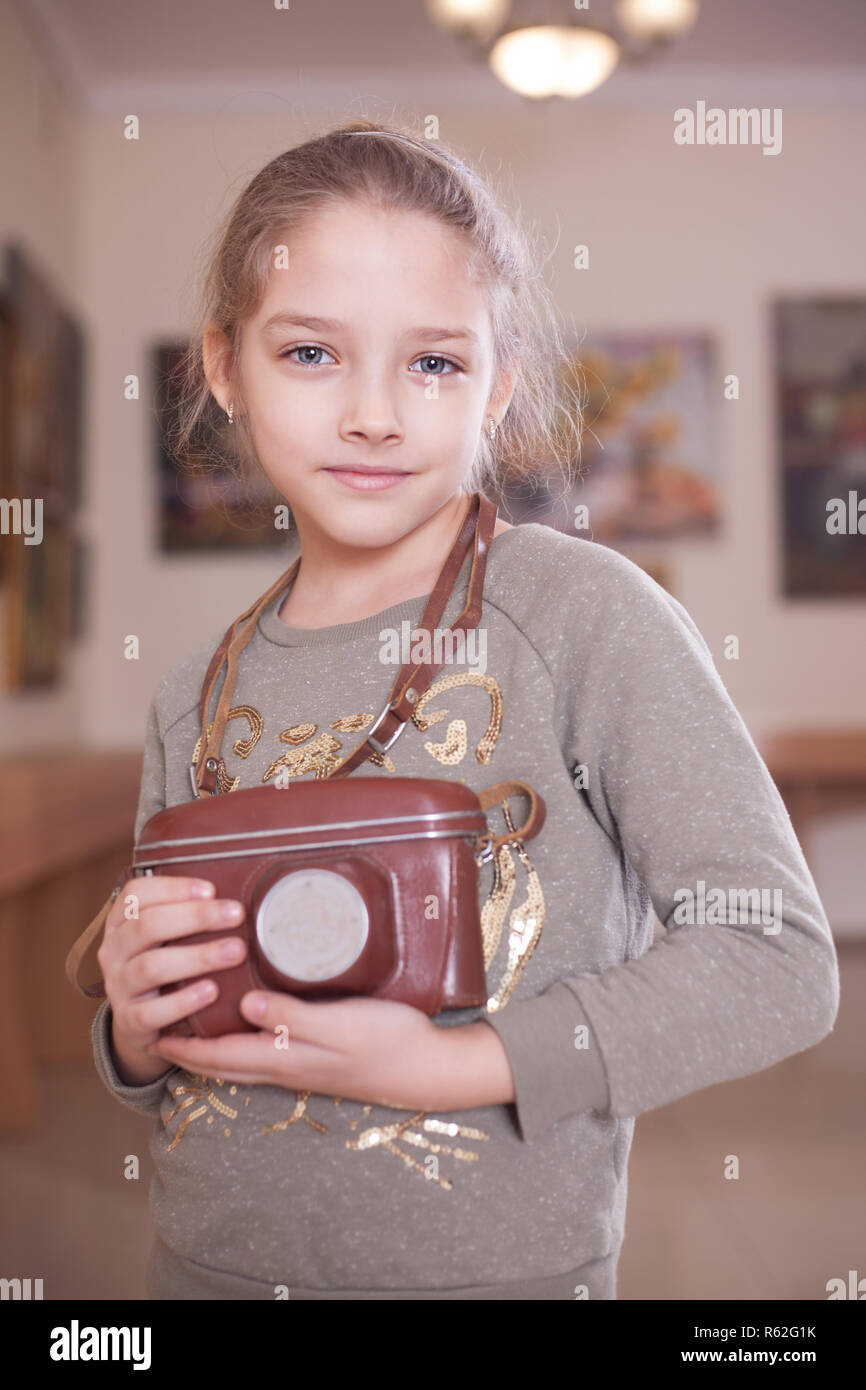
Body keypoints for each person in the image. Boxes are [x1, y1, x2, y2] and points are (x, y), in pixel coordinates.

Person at [89, 119, 840, 1301]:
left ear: (498, 383)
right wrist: (134, 1028)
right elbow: (169, 1027)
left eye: (433, 362)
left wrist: (455, 1065)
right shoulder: (193, 689)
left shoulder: (582, 614)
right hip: (199, 1270)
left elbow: (777, 961)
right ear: (223, 368)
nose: (374, 414)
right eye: (310, 355)